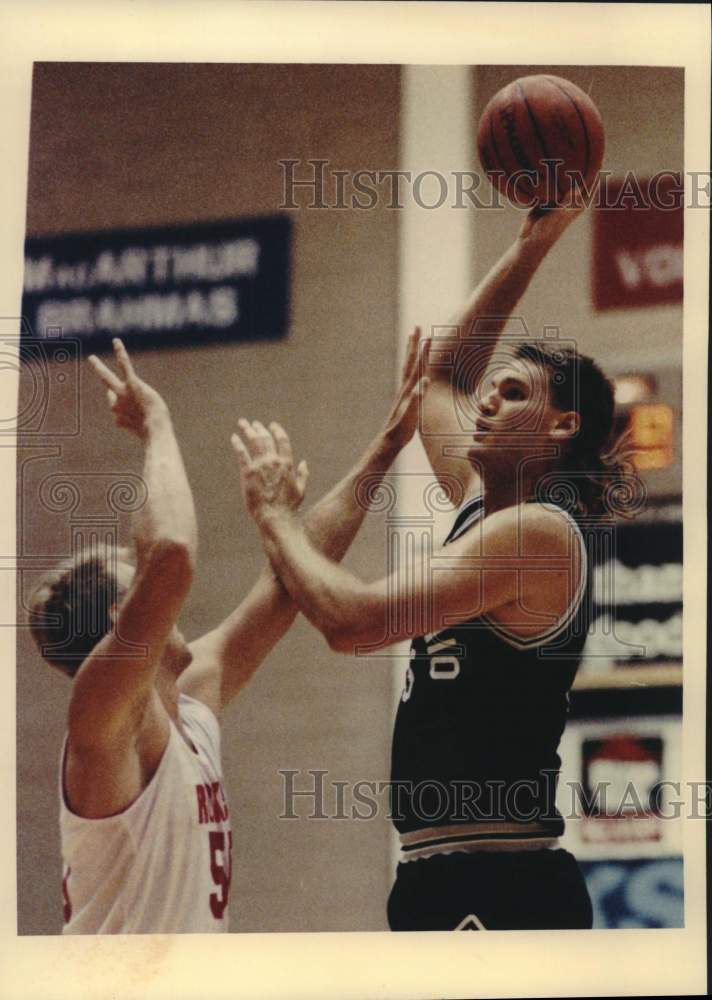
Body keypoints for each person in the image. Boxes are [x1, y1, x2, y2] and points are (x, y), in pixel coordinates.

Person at [231, 204, 633, 931]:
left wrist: (272, 518)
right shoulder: (485, 501)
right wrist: (529, 244)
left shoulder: (538, 534)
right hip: (437, 870)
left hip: (499, 875)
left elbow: (352, 624)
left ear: (562, 426)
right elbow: (442, 381)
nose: (486, 401)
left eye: (513, 393)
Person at [28, 335, 426, 934]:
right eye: (140, 581)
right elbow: (172, 552)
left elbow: (288, 587)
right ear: (123, 615)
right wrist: (157, 425)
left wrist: (388, 446)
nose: (170, 599)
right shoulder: (103, 718)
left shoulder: (185, 704)